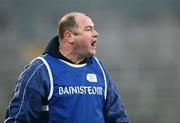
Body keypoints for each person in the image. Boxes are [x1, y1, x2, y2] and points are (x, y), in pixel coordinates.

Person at [4, 12, 130, 123]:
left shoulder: (99, 68)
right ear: (69, 36)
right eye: (88, 29)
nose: (96, 34)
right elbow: (18, 119)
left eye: (94, 29)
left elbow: (118, 116)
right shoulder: (40, 70)